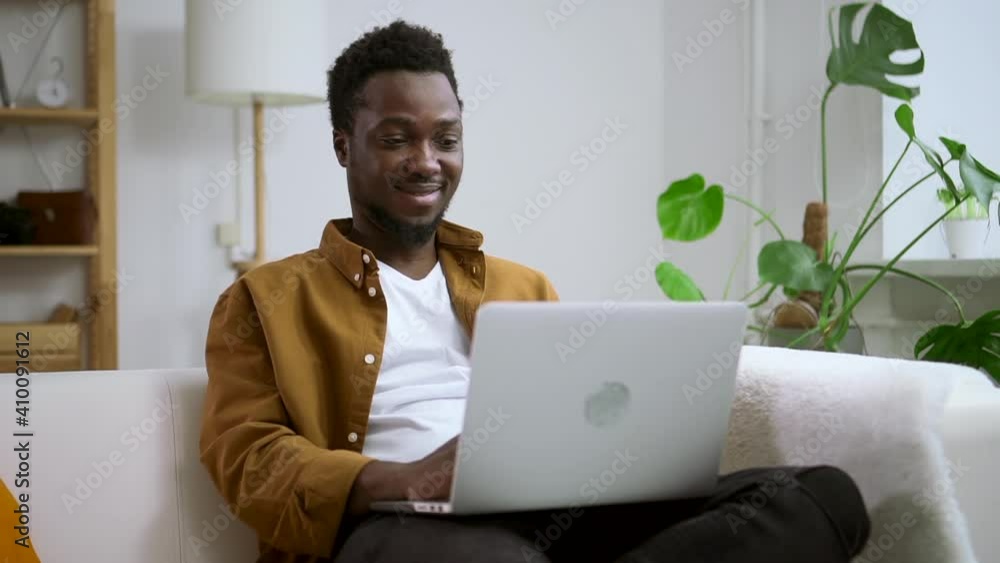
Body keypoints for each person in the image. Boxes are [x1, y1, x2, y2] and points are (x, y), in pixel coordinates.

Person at [199, 20, 871, 563]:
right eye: (396, 138)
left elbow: (579, 423)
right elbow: (248, 459)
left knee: (817, 497)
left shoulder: (520, 286)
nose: (426, 160)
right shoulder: (265, 299)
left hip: (553, 517)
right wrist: (399, 479)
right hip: (390, 529)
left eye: (447, 137)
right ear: (345, 146)